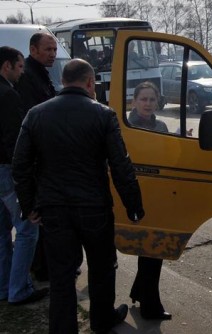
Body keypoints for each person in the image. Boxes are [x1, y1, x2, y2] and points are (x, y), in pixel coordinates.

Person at [12, 59, 145, 334]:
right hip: (93, 206)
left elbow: (20, 164)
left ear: (63, 81)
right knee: (102, 267)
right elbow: (120, 165)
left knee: (61, 275)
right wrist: (133, 205)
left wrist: (29, 205)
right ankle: (101, 320)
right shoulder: (103, 114)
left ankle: (63, 329)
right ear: (89, 82)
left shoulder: (36, 114)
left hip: (55, 209)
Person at [0, 46, 49, 305]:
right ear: (7, 66)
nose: (22, 72)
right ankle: (19, 290)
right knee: (28, 229)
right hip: (7, 171)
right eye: (19, 67)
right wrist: (26, 174)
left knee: (1, 233)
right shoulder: (8, 95)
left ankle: (4, 286)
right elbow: (13, 142)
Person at [14, 32, 58, 282]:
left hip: (39, 157)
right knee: (39, 219)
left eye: (54, 49)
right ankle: (42, 268)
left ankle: (42, 266)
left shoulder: (39, 72)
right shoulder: (30, 76)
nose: (52, 54)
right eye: (48, 49)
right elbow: (33, 119)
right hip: (36, 159)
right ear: (33, 50)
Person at [127, 81, 172, 320]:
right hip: (134, 195)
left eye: (152, 99)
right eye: (143, 99)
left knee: (153, 249)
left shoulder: (162, 126)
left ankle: (140, 292)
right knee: (151, 249)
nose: (147, 103)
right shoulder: (125, 125)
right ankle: (150, 306)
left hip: (157, 196)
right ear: (134, 101)